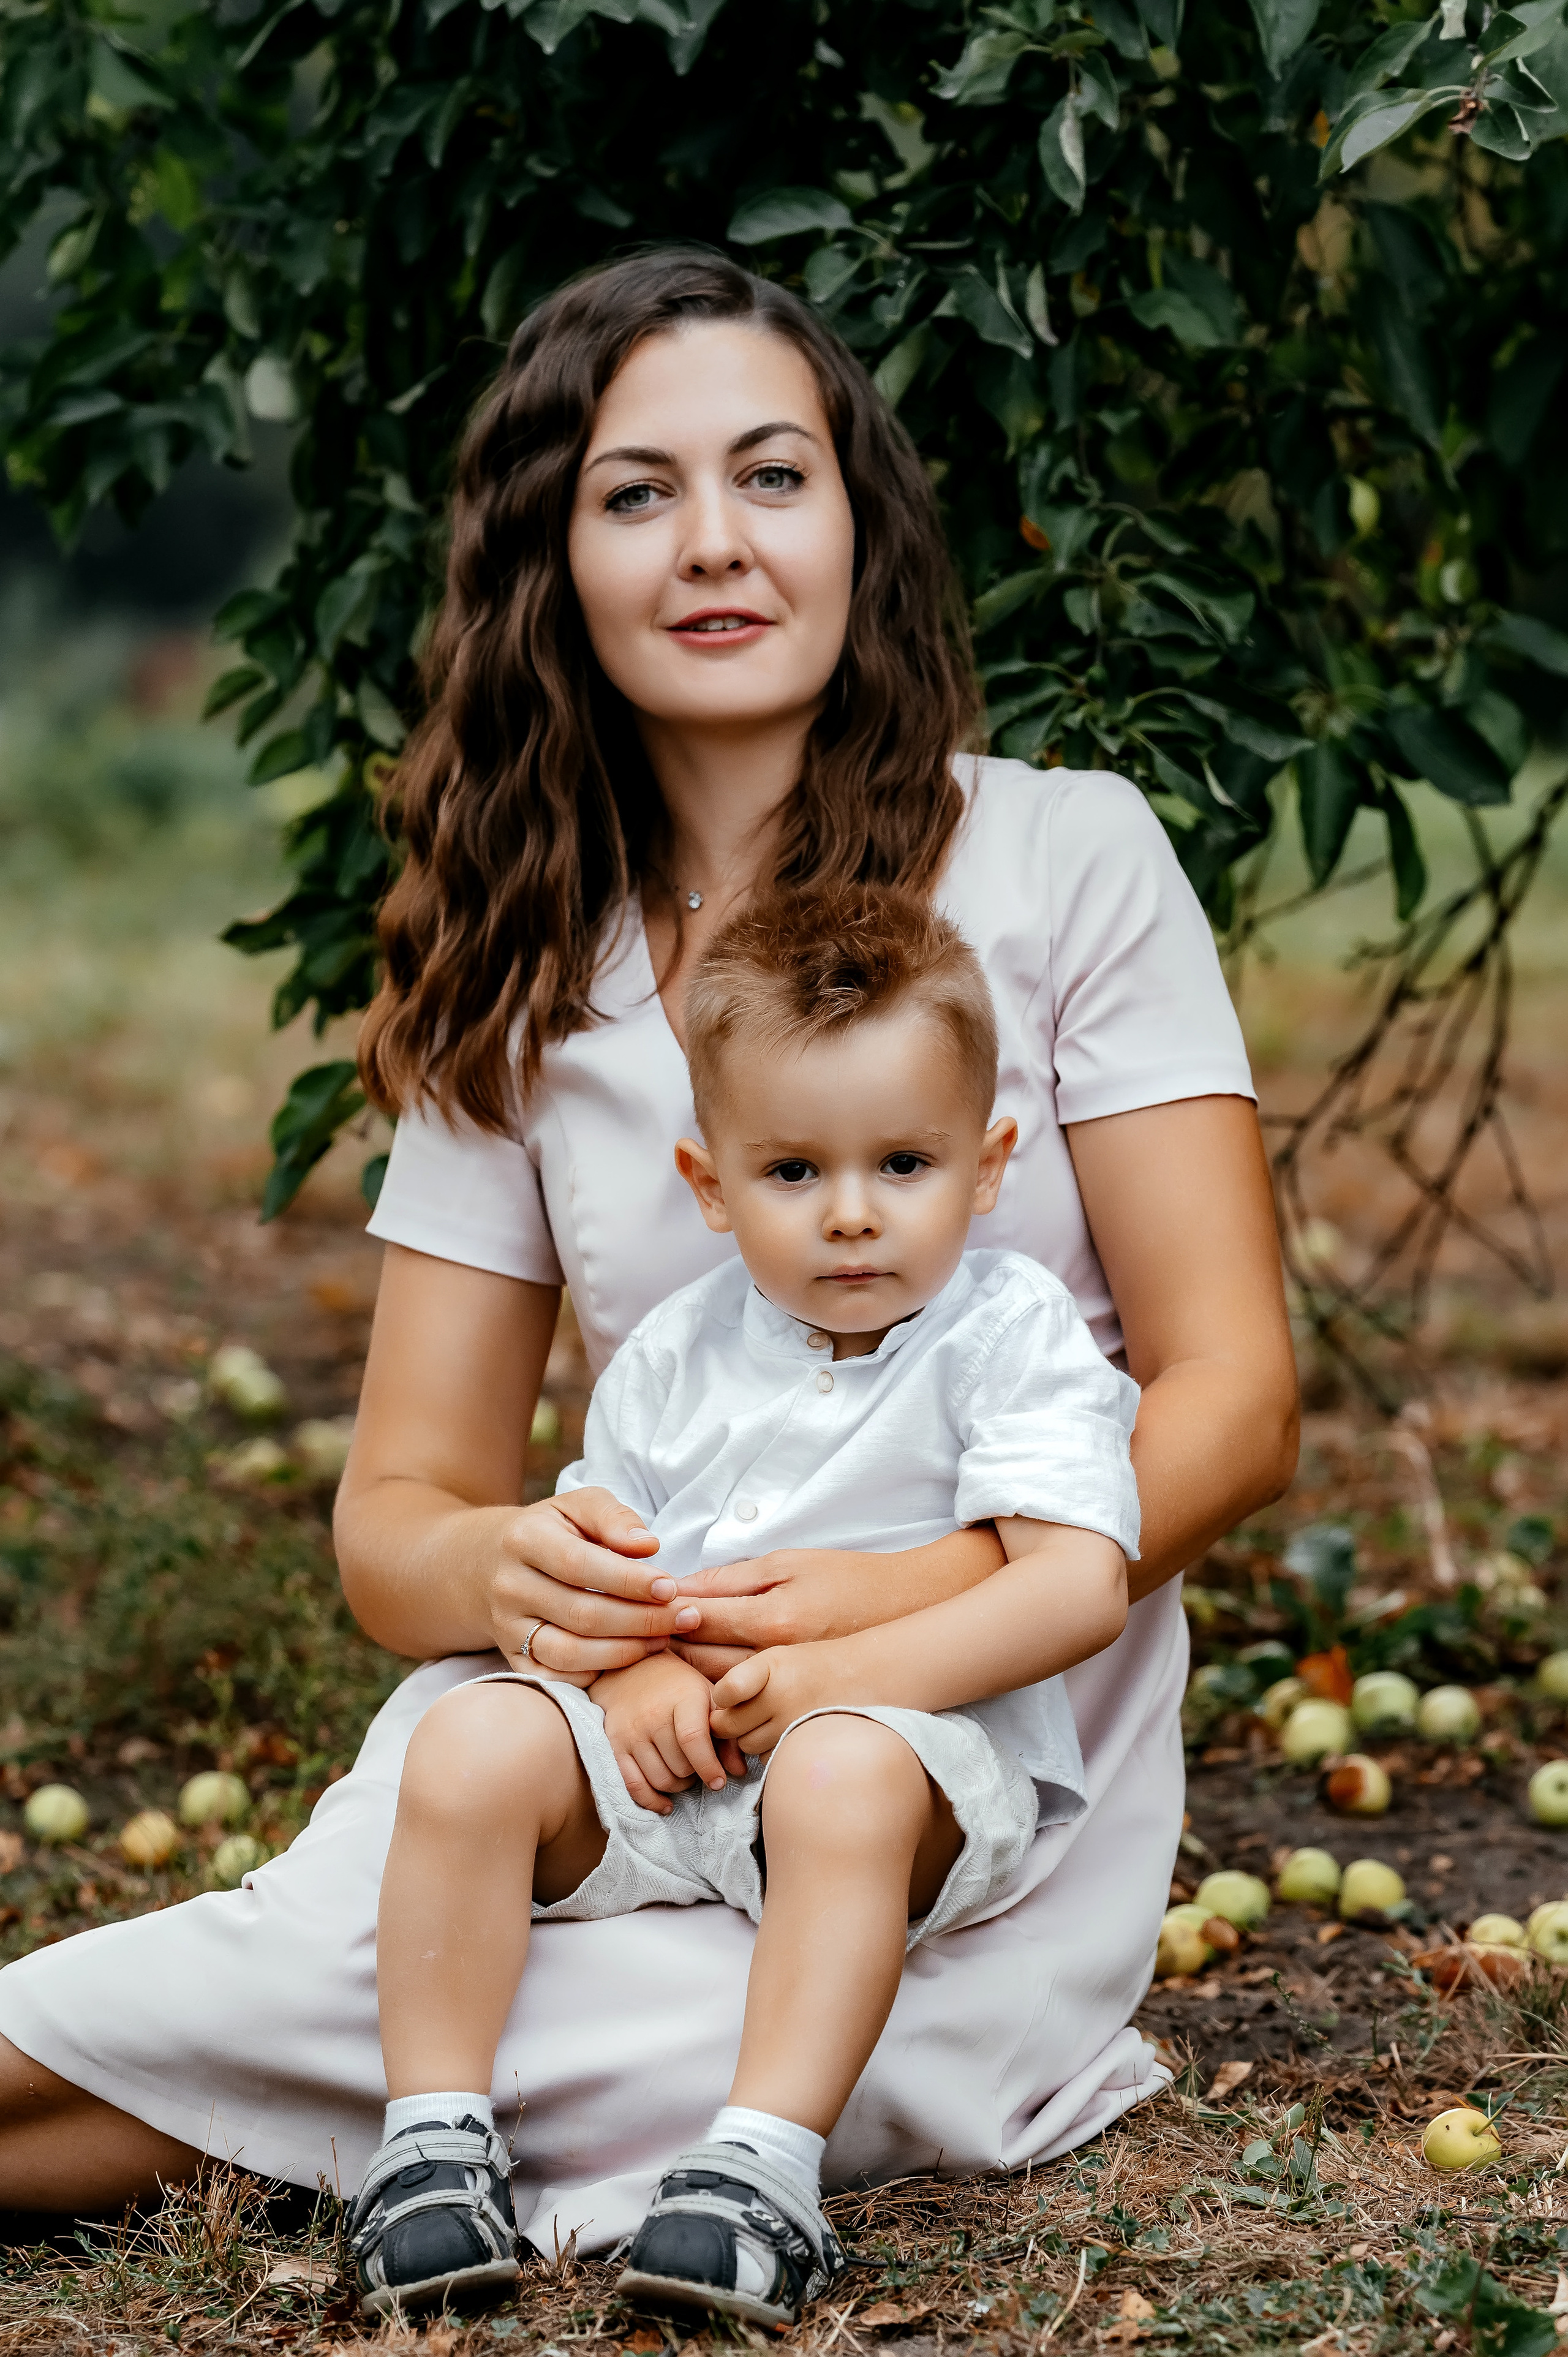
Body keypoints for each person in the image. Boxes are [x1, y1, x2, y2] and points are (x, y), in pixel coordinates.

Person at [0, 247, 1298, 2248]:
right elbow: (399, 1515)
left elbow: (1232, 1399)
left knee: (469, 2033)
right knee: (388, 1976)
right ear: (554, 559)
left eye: (774, 476)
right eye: (636, 492)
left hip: (943, 1796)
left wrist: (890, 1609)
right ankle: (370, 2092)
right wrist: (503, 1564)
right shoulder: (527, 971)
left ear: (859, 522)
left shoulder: (1063, 856)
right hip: (612, 1753)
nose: (714, 541)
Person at [350, 886, 1140, 2322]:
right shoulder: (672, 1351)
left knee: (839, 1770)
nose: (850, 1213)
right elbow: (617, 1562)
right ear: (708, 1184)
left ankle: (758, 2169)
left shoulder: (1006, 1332)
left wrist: (849, 1676)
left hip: (907, 1768)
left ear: (986, 1166)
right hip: (691, 1761)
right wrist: (629, 1675)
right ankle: (432, 2143)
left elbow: (1076, 1583)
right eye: (791, 1171)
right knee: (465, 1741)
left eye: (903, 1161)